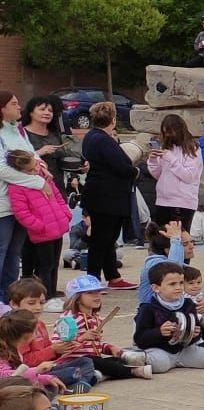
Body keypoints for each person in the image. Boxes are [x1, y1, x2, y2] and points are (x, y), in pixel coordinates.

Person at [79, 101, 136, 284]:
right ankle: (94, 276)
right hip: (107, 196)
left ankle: (112, 275)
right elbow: (121, 167)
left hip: (99, 193)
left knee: (107, 238)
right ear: (112, 120)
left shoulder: (91, 137)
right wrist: (135, 171)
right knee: (102, 238)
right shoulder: (104, 140)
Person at [13, 94, 64, 294]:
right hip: (31, 192)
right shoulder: (21, 134)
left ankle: (50, 289)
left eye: (50, 110)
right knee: (33, 248)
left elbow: (61, 160)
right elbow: (17, 161)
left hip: (54, 187)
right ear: (31, 111)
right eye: (42, 109)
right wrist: (39, 153)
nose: (46, 113)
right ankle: (31, 288)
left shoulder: (54, 133)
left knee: (54, 248)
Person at [132, 262, 204, 373]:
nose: (179, 288)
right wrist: (159, 332)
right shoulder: (148, 308)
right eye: (172, 284)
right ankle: (133, 356)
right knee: (160, 364)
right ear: (156, 288)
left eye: (181, 283)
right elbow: (139, 339)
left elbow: (192, 337)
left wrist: (194, 334)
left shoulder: (188, 303)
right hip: (159, 349)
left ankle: (175, 361)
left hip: (184, 350)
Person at [55, 275, 149, 379]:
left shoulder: (95, 318)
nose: (97, 296)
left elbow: (96, 344)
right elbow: (56, 345)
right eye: (90, 293)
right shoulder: (68, 319)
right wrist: (81, 338)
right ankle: (132, 371)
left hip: (95, 359)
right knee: (92, 361)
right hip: (73, 362)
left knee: (116, 360)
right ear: (76, 298)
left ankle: (100, 374)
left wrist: (109, 348)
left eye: (98, 291)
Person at [144, 113, 202, 232]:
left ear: (179, 130)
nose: (168, 135)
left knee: (179, 240)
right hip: (163, 200)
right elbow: (158, 175)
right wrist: (153, 160)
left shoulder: (193, 149)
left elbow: (189, 176)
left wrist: (171, 159)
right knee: (161, 240)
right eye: (165, 132)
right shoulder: (166, 147)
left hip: (183, 202)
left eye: (170, 132)